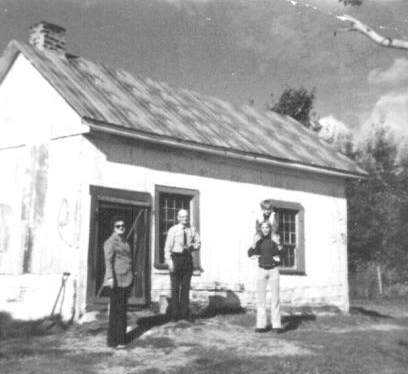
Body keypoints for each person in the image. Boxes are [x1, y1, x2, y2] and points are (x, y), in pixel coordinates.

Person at [164, 209, 201, 322]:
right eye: (182, 217)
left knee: (185, 287)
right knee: (175, 288)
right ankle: (174, 314)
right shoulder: (173, 230)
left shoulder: (192, 230)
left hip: (187, 259)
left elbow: (198, 243)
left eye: (186, 216)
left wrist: (192, 247)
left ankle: (184, 313)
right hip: (176, 258)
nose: (185, 219)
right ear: (178, 218)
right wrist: (169, 262)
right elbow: (167, 249)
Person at [103, 216, 133, 348]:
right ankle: (114, 340)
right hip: (116, 278)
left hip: (125, 277)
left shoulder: (124, 241)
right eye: (118, 226)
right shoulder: (111, 241)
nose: (121, 228)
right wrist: (110, 277)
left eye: (123, 226)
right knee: (116, 310)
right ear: (113, 228)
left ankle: (121, 338)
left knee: (122, 309)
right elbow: (108, 261)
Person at [248, 221, 283, 333]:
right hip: (262, 270)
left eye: (267, 227)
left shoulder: (275, 239)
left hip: (273, 270)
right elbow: (249, 253)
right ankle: (261, 325)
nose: (265, 229)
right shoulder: (259, 240)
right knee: (261, 299)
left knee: (275, 299)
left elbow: (283, 253)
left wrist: (278, 245)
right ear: (260, 229)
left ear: (270, 228)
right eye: (263, 227)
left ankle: (276, 325)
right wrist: (253, 244)